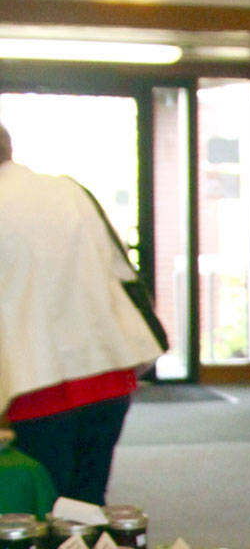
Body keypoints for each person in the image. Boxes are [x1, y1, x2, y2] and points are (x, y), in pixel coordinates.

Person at [0, 122, 165, 504]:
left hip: (34, 386)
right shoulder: (68, 190)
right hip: (107, 376)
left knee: (37, 515)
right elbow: (121, 272)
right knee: (86, 505)